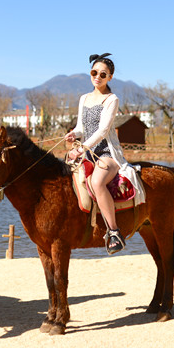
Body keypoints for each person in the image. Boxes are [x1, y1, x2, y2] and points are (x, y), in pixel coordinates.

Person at [65, 53, 145, 255]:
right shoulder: (84, 98)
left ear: (110, 77)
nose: (97, 77)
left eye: (103, 74)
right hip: (88, 151)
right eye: (94, 72)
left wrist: (81, 148)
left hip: (107, 153)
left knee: (97, 182)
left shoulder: (112, 99)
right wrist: (74, 134)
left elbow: (102, 131)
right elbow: (82, 127)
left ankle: (114, 232)